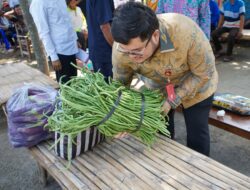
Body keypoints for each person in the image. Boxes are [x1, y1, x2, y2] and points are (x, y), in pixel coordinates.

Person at [111, 2, 218, 156]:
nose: (131, 57)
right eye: (126, 51)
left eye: (137, 51)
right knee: (161, 131)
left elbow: (203, 73)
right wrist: (121, 116)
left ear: (155, 35)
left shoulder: (185, 32)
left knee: (197, 132)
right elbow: (120, 87)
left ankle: (199, 171)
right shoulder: (122, 48)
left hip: (195, 83)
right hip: (158, 86)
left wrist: (172, 100)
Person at [30, 0, 78, 83]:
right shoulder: (38, 3)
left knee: (74, 81)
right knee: (66, 86)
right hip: (60, 51)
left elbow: (66, 21)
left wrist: (75, 39)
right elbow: (44, 32)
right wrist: (54, 57)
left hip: (71, 46)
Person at [86, 0, 114, 81]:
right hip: (105, 50)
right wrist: (117, 49)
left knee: (104, 87)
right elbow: (105, 26)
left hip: (99, 48)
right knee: (109, 88)